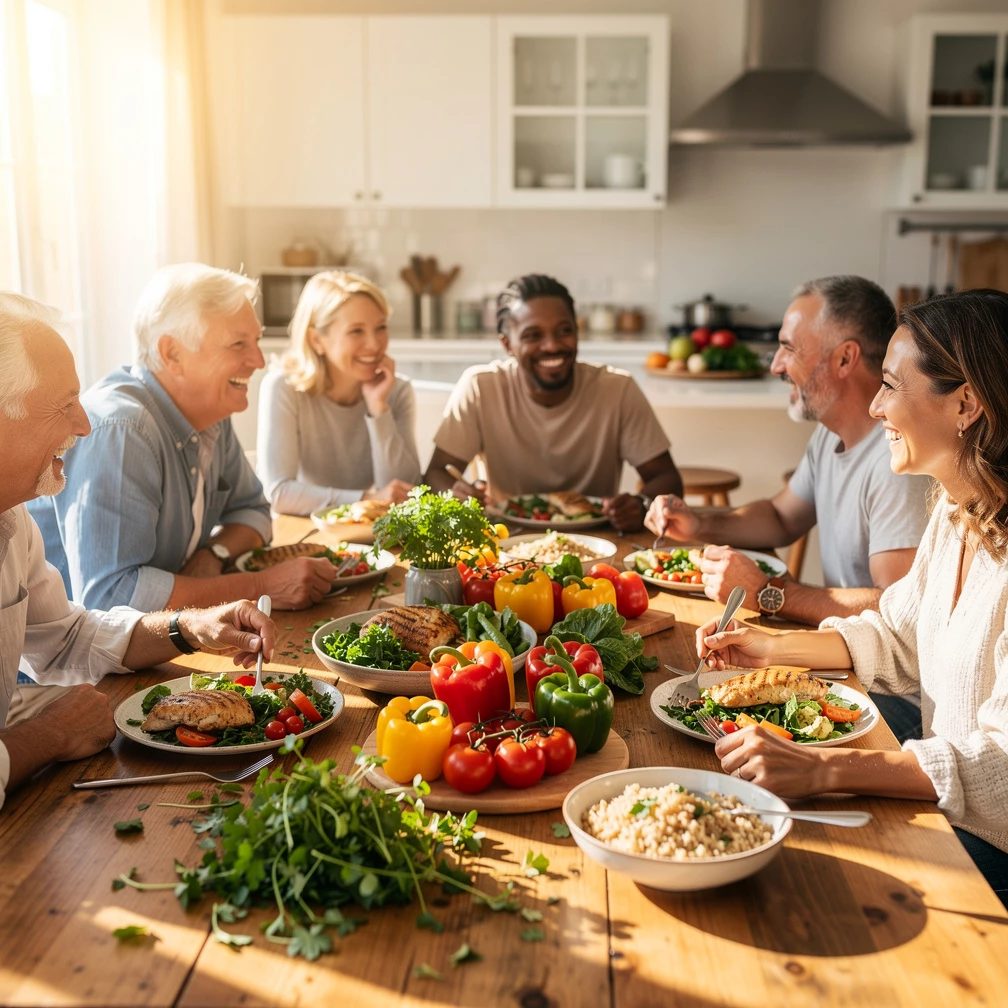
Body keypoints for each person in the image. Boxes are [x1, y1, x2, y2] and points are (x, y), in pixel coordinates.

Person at [693, 290, 1008, 908]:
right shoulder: (956, 513)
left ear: (966, 403)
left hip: (989, 842)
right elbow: (897, 636)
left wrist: (823, 770)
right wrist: (769, 648)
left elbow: (1001, 766)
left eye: (890, 385)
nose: (875, 404)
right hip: (946, 806)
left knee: (803, 888)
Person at [0, 291, 278, 808]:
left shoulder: (10, 517)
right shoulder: (120, 427)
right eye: (63, 405)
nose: (84, 425)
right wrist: (50, 736)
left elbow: (65, 640)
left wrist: (189, 627)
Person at [28, 263, 339, 611]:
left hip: (162, 639)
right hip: (82, 664)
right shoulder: (122, 431)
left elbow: (253, 510)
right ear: (172, 354)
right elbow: (112, 598)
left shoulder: (210, 417)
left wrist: (214, 553)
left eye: (257, 340)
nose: (259, 359)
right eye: (239, 344)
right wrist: (259, 585)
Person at [646, 276, 931, 625]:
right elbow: (781, 518)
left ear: (845, 359)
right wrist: (697, 523)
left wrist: (767, 591)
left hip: (869, 677)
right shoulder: (830, 435)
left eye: (790, 348)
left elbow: (897, 609)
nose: (776, 365)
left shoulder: (895, 462)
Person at [424, 274, 682, 532]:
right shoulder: (480, 387)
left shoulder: (617, 390)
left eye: (564, 331)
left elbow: (666, 478)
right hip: (503, 543)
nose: (552, 346)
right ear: (507, 344)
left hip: (597, 544)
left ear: (577, 332)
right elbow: (436, 473)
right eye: (533, 335)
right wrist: (456, 494)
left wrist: (641, 504)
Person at [258, 270, 419, 516]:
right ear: (316, 340)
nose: (375, 344)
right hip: (301, 529)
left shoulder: (397, 392)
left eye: (381, 328)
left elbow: (405, 493)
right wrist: (367, 500)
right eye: (356, 331)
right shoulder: (283, 387)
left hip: (365, 532)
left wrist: (378, 408)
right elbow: (279, 493)